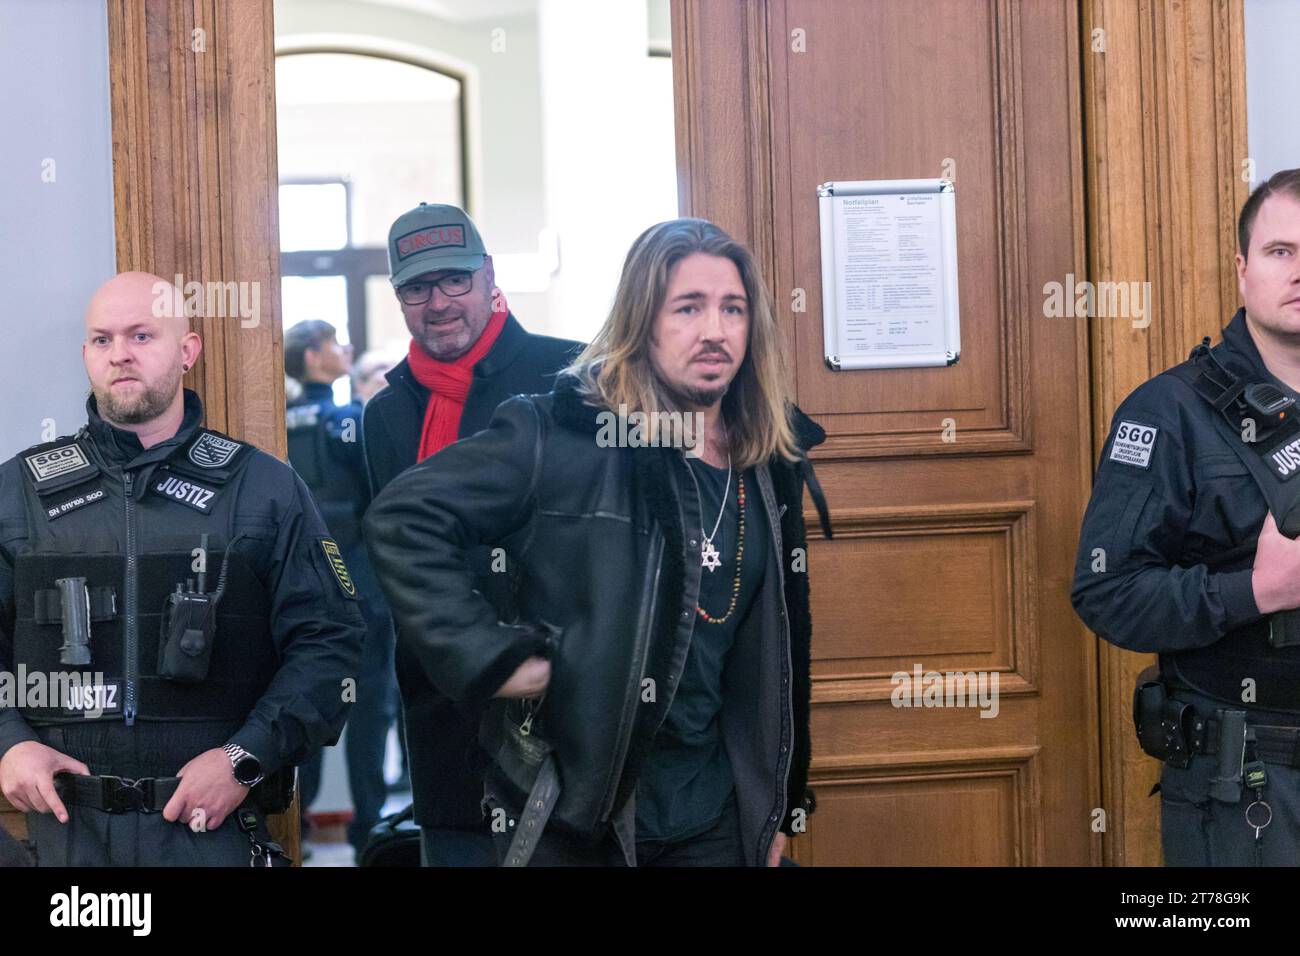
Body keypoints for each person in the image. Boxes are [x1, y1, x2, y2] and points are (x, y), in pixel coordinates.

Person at [366, 218, 831, 866]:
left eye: (733, 308)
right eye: (688, 307)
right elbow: (400, 521)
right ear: (642, 319)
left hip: (714, 817)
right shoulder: (562, 428)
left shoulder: (769, 461)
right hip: (584, 817)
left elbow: (767, 662)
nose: (715, 329)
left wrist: (775, 805)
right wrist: (490, 656)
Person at [0, 272, 365, 866]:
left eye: (142, 335)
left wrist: (243, 758)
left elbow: (332, 643)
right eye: (102, 340)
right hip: (64, 834)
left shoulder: (263, 487)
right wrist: (9, 744)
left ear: (187, 351)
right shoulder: (18, 491)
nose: (120, 354)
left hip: (211, 828)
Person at [1073, 168, 1300, 866]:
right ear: (1242, 269)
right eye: (1280, 252)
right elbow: (1105, 592)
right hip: (1250, 789)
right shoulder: (1171, 412)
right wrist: (1256, 591)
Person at [363, 202, 581, 865]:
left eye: (455, 280)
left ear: (489, 277)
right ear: (400, 298)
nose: (439, 302)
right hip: (447, 727)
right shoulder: (388, 412)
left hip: (566, 716)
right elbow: (401, 569)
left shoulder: (574, 377)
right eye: (418, 287)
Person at [283, 320, 396, 860]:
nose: (347, 350)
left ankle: (295, 830)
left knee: (307, 706)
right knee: (372, 708)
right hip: (363, 588)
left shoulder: (277, 421)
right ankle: (369, 833)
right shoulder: (349, 420)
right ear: (312, 355)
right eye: (336, 343)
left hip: (304, 590)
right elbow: (385, 494)